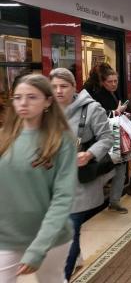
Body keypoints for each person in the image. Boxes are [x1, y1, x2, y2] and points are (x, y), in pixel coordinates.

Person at [0, 74, 77, 282]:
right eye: (17, 97)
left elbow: (62, 198)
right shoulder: (3, 138)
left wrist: (39, 247)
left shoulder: (61, 142)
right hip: (6, 237)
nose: (23, 103)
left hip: (50, 238)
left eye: (32, 97)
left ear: (48, 101)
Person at [49, 68, 115, 280]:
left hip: (78, 183)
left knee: (69, 231)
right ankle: (75, 258)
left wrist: (89, 154)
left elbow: (107, 138)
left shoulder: (92, 109)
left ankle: (63, 277)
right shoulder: (44, 109)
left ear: (74, 87)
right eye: (54, 87)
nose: (58, 91)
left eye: (64, 86)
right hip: (51, 183)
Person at [83, 63, 131, 214]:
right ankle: (95, 200)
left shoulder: (112, 93)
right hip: (102, 139)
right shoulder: (95, 95)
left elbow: (115, 114)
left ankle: (114, 201)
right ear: (102, 81)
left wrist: (126, 113)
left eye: (116, 81)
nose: (114, 84)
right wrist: (116, 112)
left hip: (115, 136)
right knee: (106, 170)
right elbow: (97, 118)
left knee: (120, 169)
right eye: (110, 81)